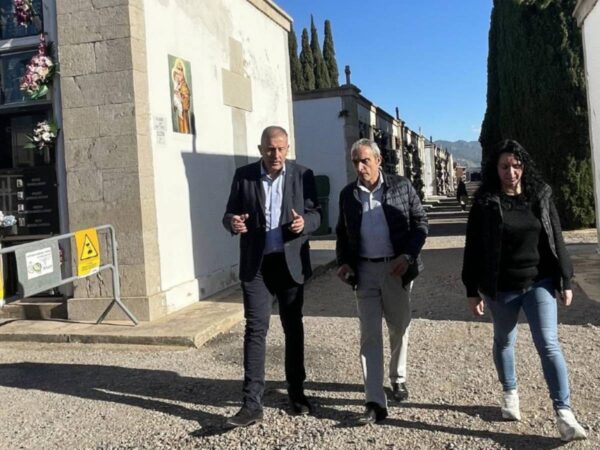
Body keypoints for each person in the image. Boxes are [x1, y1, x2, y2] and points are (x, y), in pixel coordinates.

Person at [462, 139, 587, 442]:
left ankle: (564, 413)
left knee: (549, 344)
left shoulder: (540, 197)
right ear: (496, 169)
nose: (511, 171)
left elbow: (555, 239)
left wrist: (565, 280)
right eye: (505, 166)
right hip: (499, 287)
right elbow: (474, 248)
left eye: (516, 165)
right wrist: (472, 289)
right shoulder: (485, 203)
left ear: (524, 167)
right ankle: (510, 392)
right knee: (504, 340)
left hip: (539, 282)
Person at [222, 126, 321, 428]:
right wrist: (233, 222)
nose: (275, 155)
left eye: (280, 149)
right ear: (260, 149)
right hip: (257, 266)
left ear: (288, 148)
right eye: (269, 149)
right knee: (255, 330)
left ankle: (296, 392)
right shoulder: (244, 176)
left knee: (293, 327)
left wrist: (305, 222)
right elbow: (228, 213)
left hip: (289, 264)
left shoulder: (304, 175)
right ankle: (251, 403)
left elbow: (317, 215)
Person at [336, 138, 428, 425]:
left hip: (396, 269)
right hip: (364, 272)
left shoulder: (401, 187)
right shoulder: (348, 195)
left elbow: (421, 223)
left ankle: (398, 376)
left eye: (365, 160)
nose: (360, 166)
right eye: (355, 161)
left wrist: (408, 256)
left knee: (399, 326)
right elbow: (342, 232)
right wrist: (344, 262)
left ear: (378, 161)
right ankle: (374, 400)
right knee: (369, 334)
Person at [171, 59, 191, 134]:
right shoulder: (176, 82)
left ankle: (186, 131)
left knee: (185, 119)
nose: (180, 71)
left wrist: (184, 96)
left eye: (181, 69)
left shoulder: (184, 83)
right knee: (181, 118)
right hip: (180, 103)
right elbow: (176, 91)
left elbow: (187, 93)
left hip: (184, 104)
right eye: (178, 69)